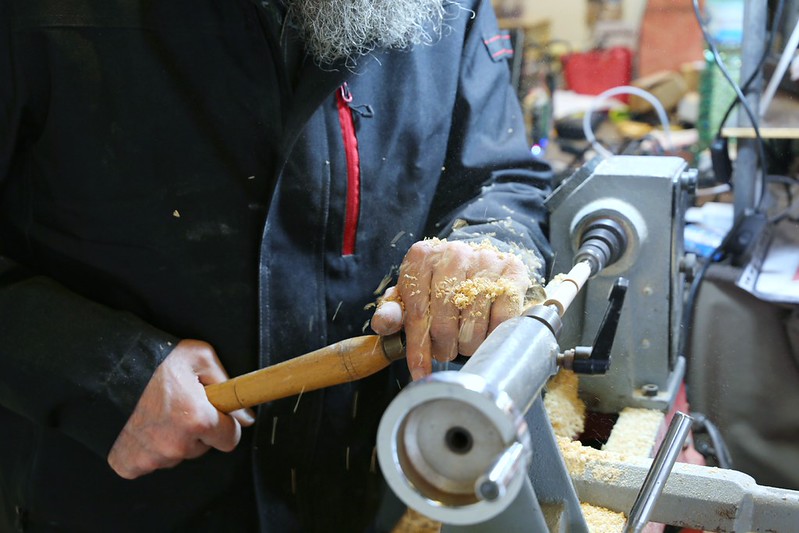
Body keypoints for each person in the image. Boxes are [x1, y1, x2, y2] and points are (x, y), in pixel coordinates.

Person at [0, 0, 552, 530]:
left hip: (366, 489)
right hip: (109, 493)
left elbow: (500, 179)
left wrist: (483, 248)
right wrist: (98, 371)